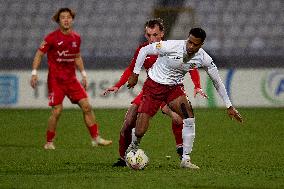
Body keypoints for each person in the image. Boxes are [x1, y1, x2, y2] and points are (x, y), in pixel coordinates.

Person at [127, 27, 243, 169]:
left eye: (195, 44)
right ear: (187, 39)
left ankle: (185, 159)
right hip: (154, 86)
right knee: (140, 130)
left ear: (201, 45)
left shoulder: (204, 58)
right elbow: (144, 50)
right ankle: (133, 147)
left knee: (189, 116)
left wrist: (229, 106)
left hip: (174, 88)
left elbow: (217, 81)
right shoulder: (170, 46)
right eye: (190, 42)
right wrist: (135, 74)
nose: (191, 46)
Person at [102, 19, 207, 166]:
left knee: (178, 118)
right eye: (148, 35)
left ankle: (182, 151)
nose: (151, 38)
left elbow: (192, 67)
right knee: (128, 121)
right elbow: (131, 69)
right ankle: (124, 157)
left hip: (171, 89)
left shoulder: (171, 48)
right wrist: (117, 85)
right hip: (151, 90)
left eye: (155, 34)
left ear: (162, 33)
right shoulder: (143, 49)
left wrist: (197, 85)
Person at [30, 8, 112, 150]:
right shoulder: (51, 38)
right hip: (56, 80)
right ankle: (49, 142)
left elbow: (77, 56)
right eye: (63, 17)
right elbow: (39, 54)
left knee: (86, 106)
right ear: (58, 20)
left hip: (71, 80)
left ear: (72, 19)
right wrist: (34, 72)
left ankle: (96, 138)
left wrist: (83, 74)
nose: (66, 20)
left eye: (68, 17)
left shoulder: (76, 38)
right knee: (57, 110)